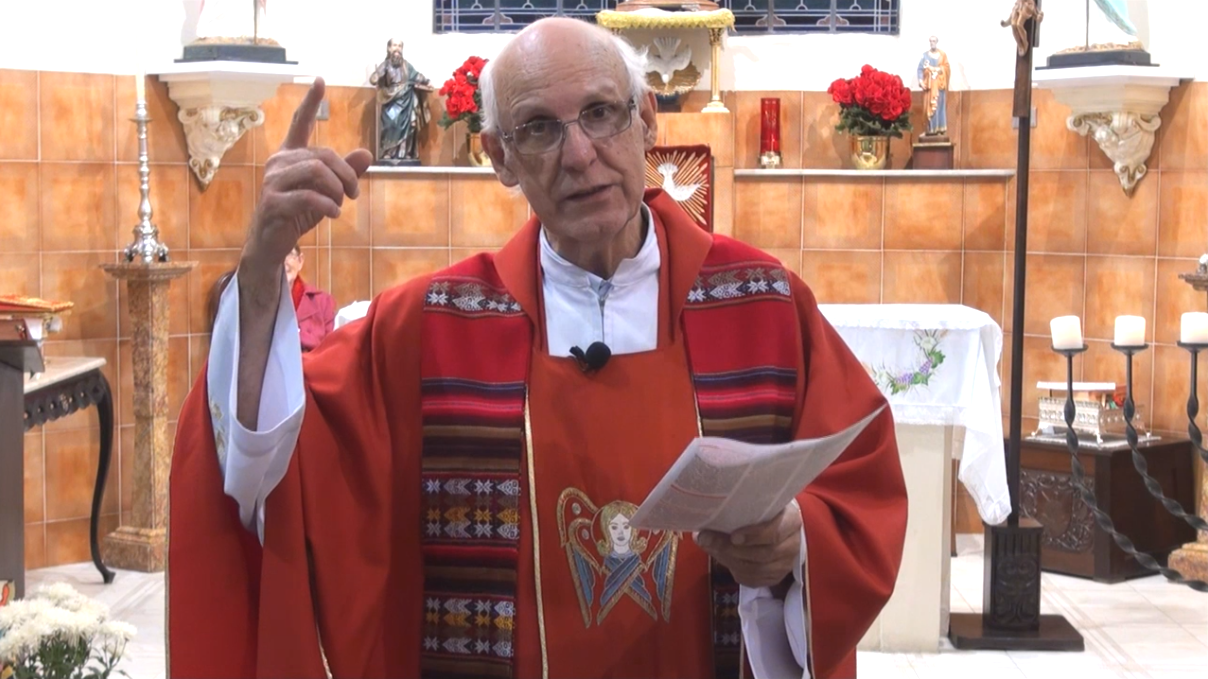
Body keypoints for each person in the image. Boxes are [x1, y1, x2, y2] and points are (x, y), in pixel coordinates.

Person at [168, 17, 907, 679]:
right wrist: (260, 272)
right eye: (538, 128)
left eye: (601, 113)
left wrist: (795, 545)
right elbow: (266, 471)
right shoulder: (428, 327)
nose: (579, 154)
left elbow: (858, 489)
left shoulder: (762, 304)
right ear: (499, 157)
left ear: (647, 121)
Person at [370, 39, 433, 163]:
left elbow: (416, 76)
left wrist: (427, 81)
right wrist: (375, 77)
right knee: (390, 125)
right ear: (389, 48)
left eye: (400, 46)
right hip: (390, 99)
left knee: (410, 127)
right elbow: (374, 78)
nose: (397, 48)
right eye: (394, 45)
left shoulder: (407, 65)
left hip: (407, 99)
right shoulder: (385, 65)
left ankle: (406, 153)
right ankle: (388, 152)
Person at [283, 245, 336, 352]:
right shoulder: (258, 304)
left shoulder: (322, 302)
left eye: (289, 254)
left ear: (300, 261)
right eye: (276, 255)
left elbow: (330, 350)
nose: (283, 261)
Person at [917, 36, 950, 137]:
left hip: (939, 86)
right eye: (931, 41)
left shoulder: (942, 55)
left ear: (937, 42)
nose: (932, 43)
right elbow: (920, 69)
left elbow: (947, 68)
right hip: (929, 86)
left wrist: (938, 69)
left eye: (934, 41)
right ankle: (929, 130)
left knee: (939, 107)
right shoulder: (925, 56)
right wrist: (921, 81)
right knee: (928, 107)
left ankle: (940, 129)